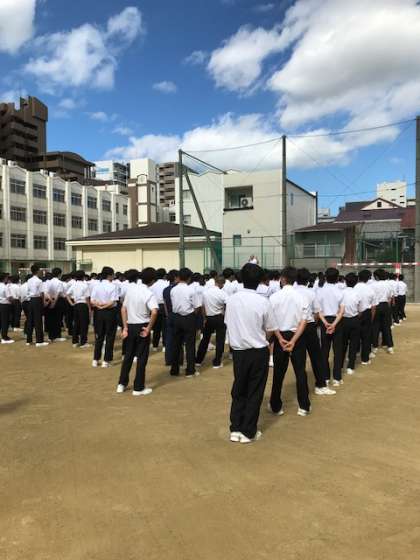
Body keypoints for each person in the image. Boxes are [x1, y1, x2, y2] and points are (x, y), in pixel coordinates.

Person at [224, 263, 276, 444]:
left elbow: (228, 322)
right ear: (260, 281)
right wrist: (260, 338)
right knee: (254, 391)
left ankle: (235, 428)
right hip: (257, 351)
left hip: (238, 352)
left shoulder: (232, 300)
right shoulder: (263, 302)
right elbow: (270, 329)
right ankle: (248, 431)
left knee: (239, 389)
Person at [269, 266, 311, 416]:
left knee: (278, 373)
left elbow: (271, 322)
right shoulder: (302, 297)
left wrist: (280, 338)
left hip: (280, 335)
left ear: (282, 279)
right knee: (300, 372)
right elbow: (304, 321)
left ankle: (275, 406)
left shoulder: (274, 297)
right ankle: (304, 406)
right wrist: (293, 340)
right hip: (297, 336)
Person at [117, 268, 158, 396]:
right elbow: (154, 311)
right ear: (152, 280)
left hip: (130, 325)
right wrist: (149, 328)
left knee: (128, 356)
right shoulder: (148, 293)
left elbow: (123, 309)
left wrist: (125, 327)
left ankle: (121, 384)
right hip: (142, 326)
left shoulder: (131, 290)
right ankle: (138, 387)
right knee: (141, 357)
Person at [295, 268, 336, 396]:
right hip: (309, 326)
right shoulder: (311, 293)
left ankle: (302, 391)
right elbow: (317, 312)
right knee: (316, 357)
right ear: (308, 281)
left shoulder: (291, 292)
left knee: (299, 361)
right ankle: (320, 385)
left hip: (294, 327)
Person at [170, 268, 201, 377]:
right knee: (190, 345)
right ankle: (190, 370)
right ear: (189, 278)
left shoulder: (173, 290)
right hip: (188, 317)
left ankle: (174, 369)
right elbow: (197, 306)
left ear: (179, 277)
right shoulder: (191, 290)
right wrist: (192, 315)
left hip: (176, 317)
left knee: (176, 344)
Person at [317, 267, 345, 386]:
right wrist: (333, 324)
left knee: (324, 350)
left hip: (324, 322)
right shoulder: (340, 292)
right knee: (338, 350)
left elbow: (318, 310)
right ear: (337, 278)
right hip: (337, 321)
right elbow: (342, 311)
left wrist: (325, 323)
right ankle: (337, 378)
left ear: (325, 277)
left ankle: (326, 377)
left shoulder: (319, 291)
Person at [195, 275, 227, 368]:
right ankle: (217, 362)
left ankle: (198, 360)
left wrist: (204, 318)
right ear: (222, 283)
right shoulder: (223, 293)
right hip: (219, 317)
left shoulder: (206, 292)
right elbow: (227, 305)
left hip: (208, 318)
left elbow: (203, 307)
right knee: (220, 340)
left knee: (205, 339)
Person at [90, 266, 119, 367]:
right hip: (110, 312)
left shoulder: (97, 286)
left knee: (99, 336)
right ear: (109, 275)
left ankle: (95, 359)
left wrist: (99, 306)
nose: (114, 276)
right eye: (113, 274)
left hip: (99, 313)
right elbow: (113, 301)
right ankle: (106, 361)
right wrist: (104, 306)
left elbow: (92, 300)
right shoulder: (113, 286)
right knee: (110, 336)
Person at [341, 273, 362, 375]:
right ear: (356, 282)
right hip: (354, 320)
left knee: (342, 344)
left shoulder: (341, 293)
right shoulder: (357, 294)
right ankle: (350, 366)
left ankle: (340, 364)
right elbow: (360, 310)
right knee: (354, 343)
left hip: (343, 320)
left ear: (345, 281)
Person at [355, 270, 376, 365]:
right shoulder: (370, 289)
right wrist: (371, 318)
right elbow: (373, 307)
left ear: (358, 277)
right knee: (366, 336)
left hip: (355, 313)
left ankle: (354, 353)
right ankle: (365, 359)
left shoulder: (353, 287)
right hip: (366, 313)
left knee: (354, 335)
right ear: (368, 278)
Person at [371, 269, 394, 354]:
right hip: (385, 305)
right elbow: (390, 297)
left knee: (375, 327)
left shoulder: (373, 285)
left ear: (376, 277)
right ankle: (390, 346)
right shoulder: (388, 285)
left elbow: (371, 297)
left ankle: (375, 347)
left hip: (376, 306)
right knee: (386, 326)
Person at [66, 270, 91, 348]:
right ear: (83, 277)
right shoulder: (85, 285)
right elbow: (87, 298)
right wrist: (89, 308)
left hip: (76, 305)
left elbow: (67, 294)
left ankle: (75, 341)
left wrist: (71, 303)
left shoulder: (74, 285)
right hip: (83, 305)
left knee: (76, 323)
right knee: (84, 324)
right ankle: (83, 342)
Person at [26, 264, 49, 347]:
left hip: (31, 300)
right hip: (37, 300)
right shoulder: (39, 281)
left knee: (30, 320)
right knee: (38, 320)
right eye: (39, 270)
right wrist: (43, 302)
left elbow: (28, 291)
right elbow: (42, 293)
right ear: (37, 271)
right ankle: (39, 341)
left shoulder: (29, 280)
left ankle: (29, 340)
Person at [44, 267, 66, 343]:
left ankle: (51, 336)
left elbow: (46, 292)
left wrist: (50, 300)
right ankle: (57, 336)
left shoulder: (49, 282)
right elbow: (58, 294)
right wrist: (54, 303)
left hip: (50, 300)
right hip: (58, 301)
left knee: (51, 319)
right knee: (58, 319)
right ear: (59, 274)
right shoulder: (59, 282)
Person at [150, 268, 168, 351]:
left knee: (156, 327)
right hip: (164, 306)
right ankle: (164, 346)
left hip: (155, 306)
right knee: (165, 327)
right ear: (164, 276)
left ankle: (155, 345)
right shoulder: (166, 284)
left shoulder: (153, 285)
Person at [0, 273, 14, 344]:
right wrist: (13, 301)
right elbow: (9, 297)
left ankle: (3, 337)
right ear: (4, 278)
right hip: (5, 305)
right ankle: (4, 337)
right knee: (5, 321)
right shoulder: (5, 287)